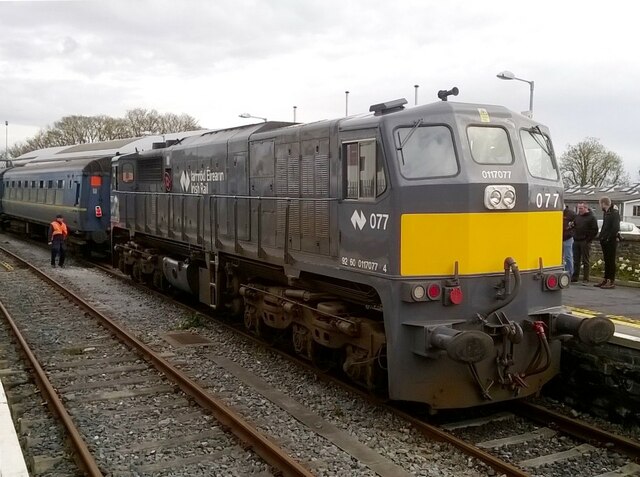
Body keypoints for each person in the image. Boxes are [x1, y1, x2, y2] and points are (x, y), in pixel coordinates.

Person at [595, 196, 620, 289]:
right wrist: (601, 237)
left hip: (611, 241)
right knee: (607, 261)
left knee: (611, 261)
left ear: (603, 203)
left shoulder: (614, 213)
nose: (600, 206)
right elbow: (605, 226)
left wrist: (608, 238)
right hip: (605, 240)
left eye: (600, 204)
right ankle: (606, 279)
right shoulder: (606, 213)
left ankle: (611, 281)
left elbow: (615, 228)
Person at [571, 202, 599, 284]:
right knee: (576, 260)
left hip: (585, 241)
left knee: (585, 260)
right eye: (578, 208)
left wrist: (588, 240)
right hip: (576, 240)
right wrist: (573, 232)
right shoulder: (578, 216)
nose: (579, 210)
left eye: (581, 208)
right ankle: (575, 276)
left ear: (586, 208)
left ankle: (586, 278)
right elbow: (574, 225)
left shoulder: (592, 217)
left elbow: (595, 230)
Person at [562, 206, 576, 277]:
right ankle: (562, 271)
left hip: (567, 238)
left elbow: (576, 225)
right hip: (558, 238)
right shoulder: (558, 213)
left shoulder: (571, 214)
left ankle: (569, 273)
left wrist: (571, 233)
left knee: (568, 256)